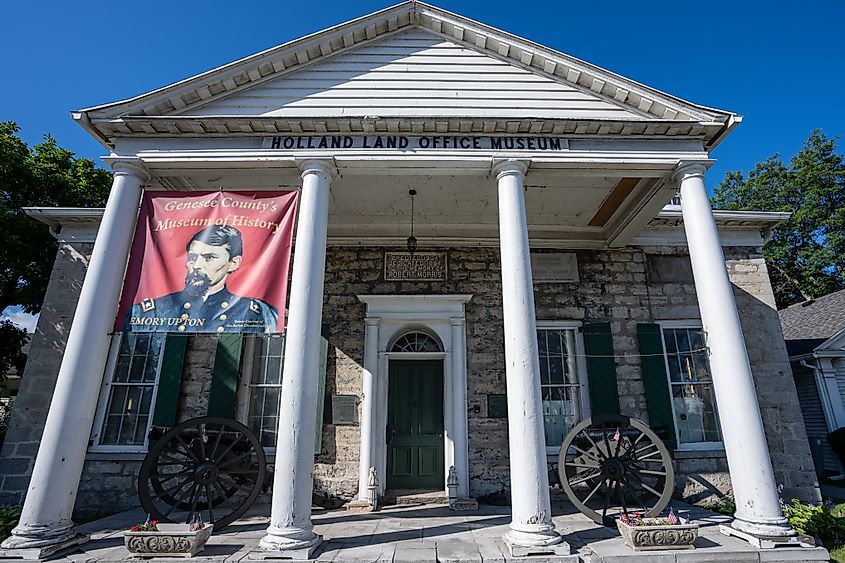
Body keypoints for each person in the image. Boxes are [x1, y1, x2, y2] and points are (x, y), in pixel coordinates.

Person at [127, 225, 278, 333]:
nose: (196, 266)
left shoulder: (257, 313)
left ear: (233, 263)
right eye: (192, 258)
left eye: (209, 257)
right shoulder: (149, 312)